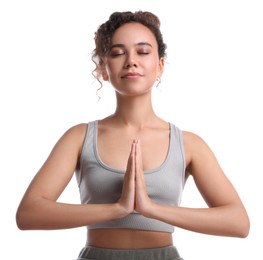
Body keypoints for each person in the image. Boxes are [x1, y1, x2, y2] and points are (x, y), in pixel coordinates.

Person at [16, 11, 250, 260]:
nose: (131, 61)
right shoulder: (79, 138)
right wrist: (116, 208)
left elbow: (238, 223)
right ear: (104, 69)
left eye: (143, 51)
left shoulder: (189, 144)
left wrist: (151, 208)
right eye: (118, 53)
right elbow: (28, 214)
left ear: (160, 65)